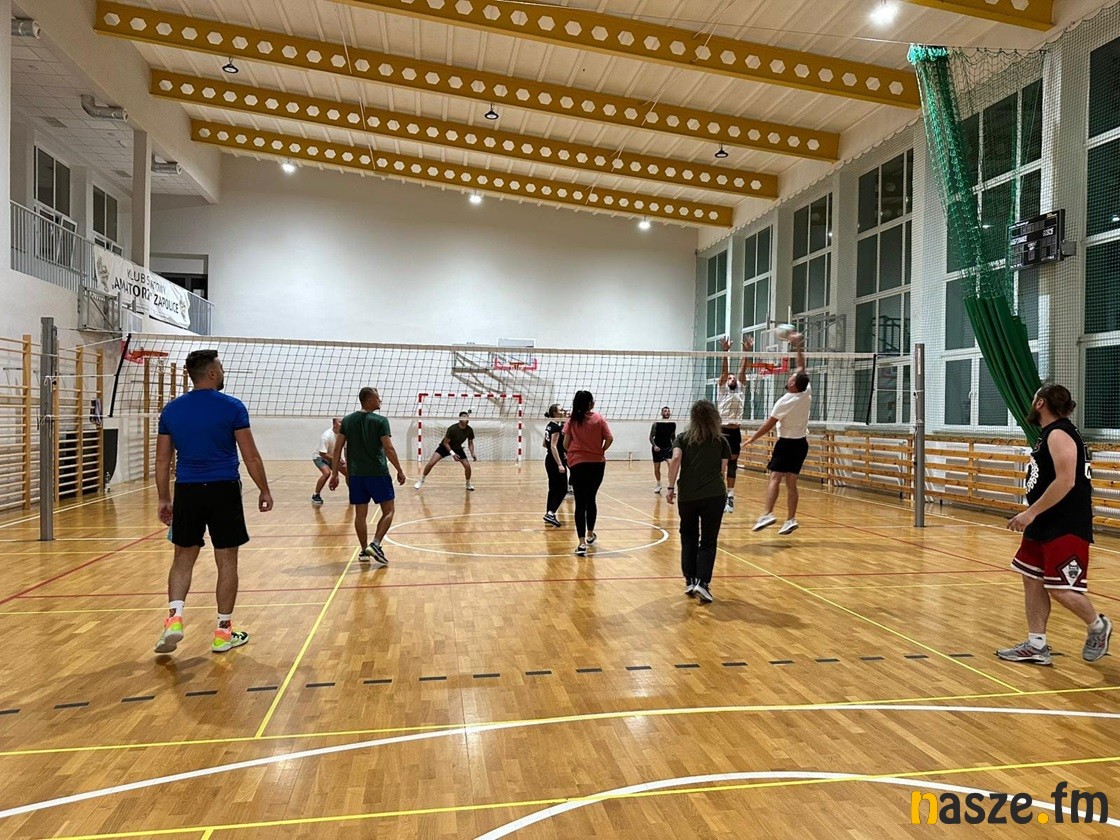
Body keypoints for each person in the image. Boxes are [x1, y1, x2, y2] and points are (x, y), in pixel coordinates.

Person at [153, 349, 273, 655]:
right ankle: (223, 633)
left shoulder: (171, 410)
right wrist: (264, 489)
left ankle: (174, 619)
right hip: (223, 489)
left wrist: (164, 498)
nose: (223, 372)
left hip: (187, 490)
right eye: (220, 368)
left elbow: (162, 460)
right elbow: (250, 455)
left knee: (183, 558)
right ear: (210, 373)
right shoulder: (232, 407)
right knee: (227, 560)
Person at [996, 384, 1112, 666]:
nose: (1031, 402)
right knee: (1031, 578)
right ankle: (1036, 645)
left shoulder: (1060, 433)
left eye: (1034, 398)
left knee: (1060, 587)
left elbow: (1066, 481)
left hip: (1064, 524)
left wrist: (1030, 513)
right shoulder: (1049, 433)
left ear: (1040, 403)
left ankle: (1098, 626)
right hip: (1044, 521)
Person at [330, 387, 407, 565]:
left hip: (356, 475)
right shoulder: (380, 421)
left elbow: (337, 448)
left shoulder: (347, 420)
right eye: (378, 398)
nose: (380, 401)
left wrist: (334, 473)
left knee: (360, 515)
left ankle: (364, 551)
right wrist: (400, 470)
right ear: (370, 400)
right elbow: (388, 448)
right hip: (377, 473)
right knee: (389, 510)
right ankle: (376, 543)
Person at [666, 400, 731, 605]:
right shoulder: (721, 441)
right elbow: (722, 470)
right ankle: (703, 583)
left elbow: (676, 459)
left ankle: (690, 580)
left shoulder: (682, 438)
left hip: (688, 496)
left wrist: (670, 487)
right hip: (714, 495)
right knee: (709, 540)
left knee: (688, 536)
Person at [746, 333, 810, 535]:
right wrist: (798, 346)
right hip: (801, 444)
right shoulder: (806, 392)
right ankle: (790, 519)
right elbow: (801, 367)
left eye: (791, 378)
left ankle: (767, 513)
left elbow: (769, 425)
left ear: (792, 384)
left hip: (786, 444)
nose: (789, 376)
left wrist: (752, 438)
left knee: (774, 478)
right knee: (791, 483)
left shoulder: (784, 402)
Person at [563, 390, 613, 556]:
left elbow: (565, 443)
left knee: (580, 502)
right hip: (597, 463)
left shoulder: (572, 420)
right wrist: (601, 450)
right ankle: (590, 534)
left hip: (578, 463)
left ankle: (581, 543)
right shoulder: (599, 418)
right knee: (591, 499)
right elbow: (609, 438)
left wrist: (576, 451)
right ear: (590, 403)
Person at [718, 336, 752, 513]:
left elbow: (742, 370)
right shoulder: (723, 389)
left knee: (732, 464)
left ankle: (730, 496)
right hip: (722, 431)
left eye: (733, 378)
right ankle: (719, 494)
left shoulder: (740, 389)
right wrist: (725, 352)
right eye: (729, 377)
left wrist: (746, 352)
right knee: (720, 465)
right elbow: (725, 372)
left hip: (735, 431)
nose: (731, 378)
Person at [415, 411, 477, 491]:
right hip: (444, 447)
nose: (466, 418)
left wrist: (472, 453)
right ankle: (421, 480)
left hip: (457, 448)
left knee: (467, 466)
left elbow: (470, 442)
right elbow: (445, 443)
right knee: (431, 463)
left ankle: (468, 484)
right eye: (464, 417)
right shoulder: (452, 429)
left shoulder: (469, 430)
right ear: (460, 419)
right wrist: (453, 454)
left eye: (467, 417)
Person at [543, 403, 568, 528]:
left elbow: (544, 444)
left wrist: (561, 451)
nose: (564, 411)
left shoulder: (549, 425)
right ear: (555, 413)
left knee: (553, 488)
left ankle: (549, 513)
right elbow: (553, 446)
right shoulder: (557, 428)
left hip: (549, 459)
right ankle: (551, 513)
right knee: (563, 488)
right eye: (561, 410)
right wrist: (560, 464)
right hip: (555, 461)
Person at [311, 417, 347, 505]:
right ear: (334, 424)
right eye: (340, 422)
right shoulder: (326, 436)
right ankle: (316, 495)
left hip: (333, 457)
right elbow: (322, 453)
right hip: (320, 457)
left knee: (348, 473)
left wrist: (343, 460)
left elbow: (342, 449)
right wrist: (336, 461)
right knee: (327, 473)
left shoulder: (344, 435)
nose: (343, 424)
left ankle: (353, 493)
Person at [650, 406, 676, 493]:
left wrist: (675, 446)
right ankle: (658, 484)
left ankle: (671, 486)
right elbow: (651, 437)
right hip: (657, 448)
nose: (667, 412)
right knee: (657, 468)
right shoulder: (656, 424)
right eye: (665, 411)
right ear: (662, 413)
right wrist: (654, 446)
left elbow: (673, 437)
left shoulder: (672, 424)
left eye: (668, 411)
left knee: (671, 466)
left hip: (668, 448)